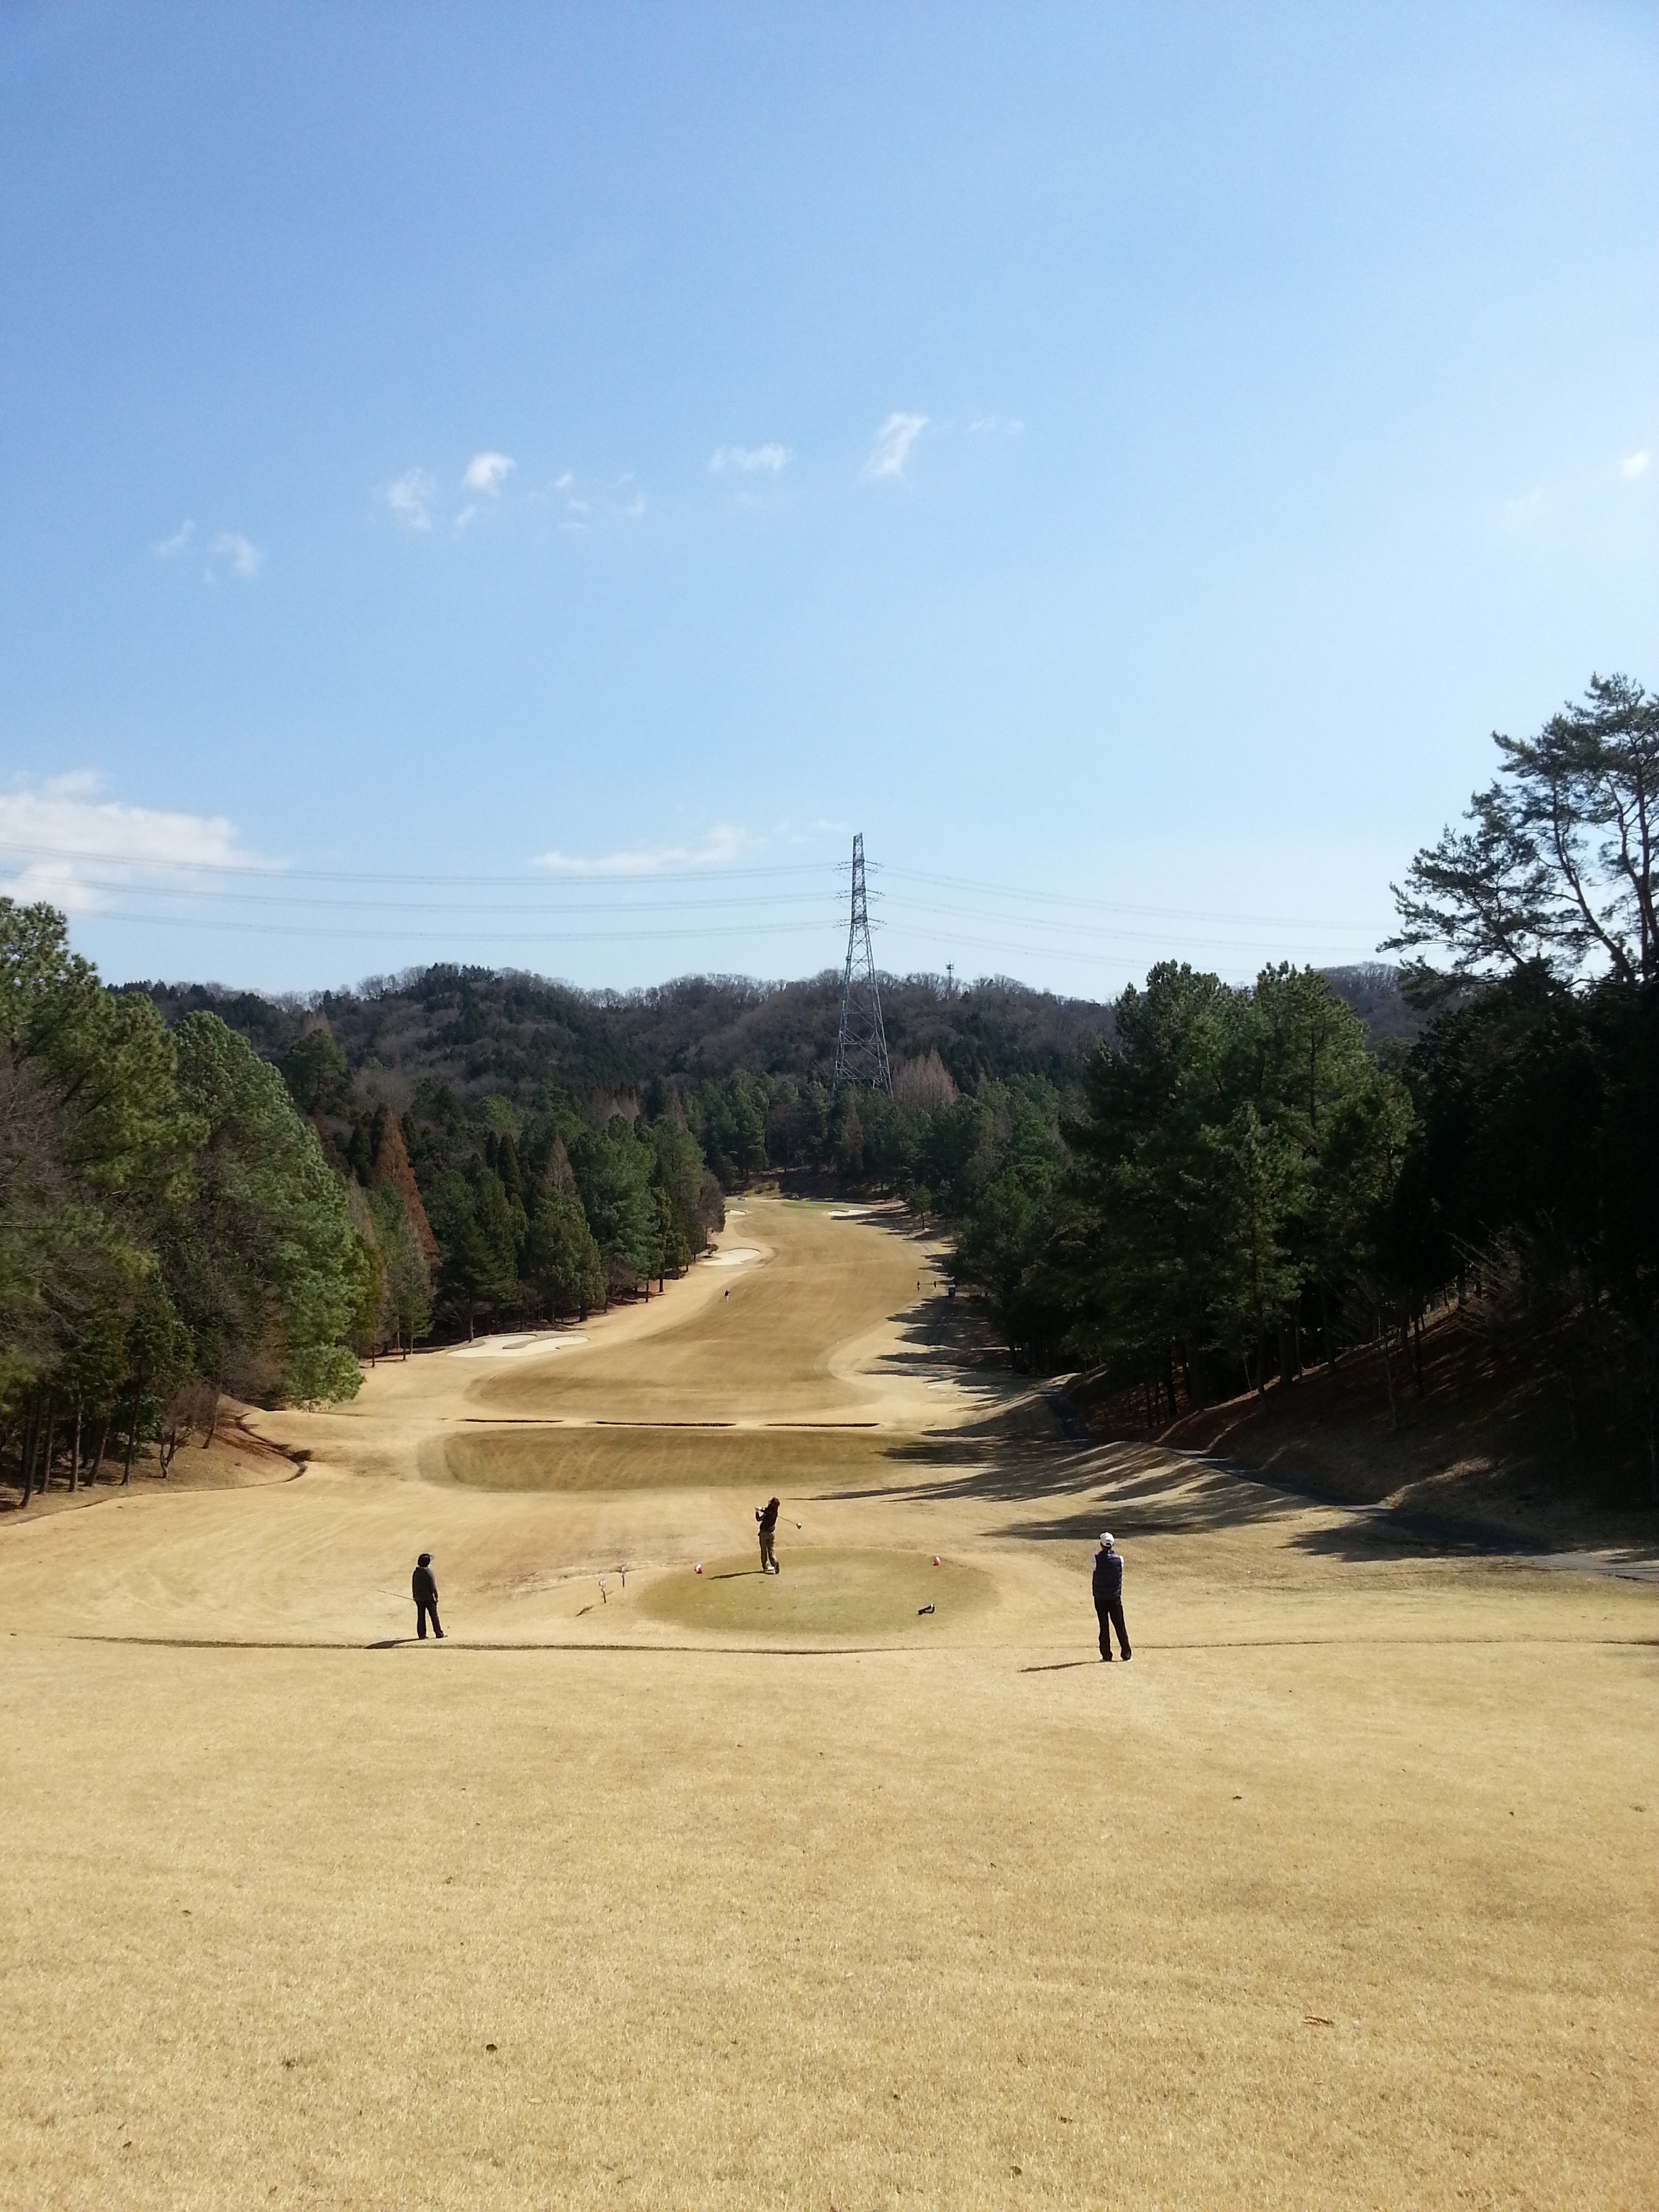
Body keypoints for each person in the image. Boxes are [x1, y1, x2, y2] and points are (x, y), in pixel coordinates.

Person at [1092, 1532, 1130, 1661]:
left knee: (1104, 1626)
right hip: (1115, 1596)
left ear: (1101, 1544)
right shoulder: (1119, 1559)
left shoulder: (1096, 1559)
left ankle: (1106, 1655)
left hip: (1100, 1597)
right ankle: (1126, 1653)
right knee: (1120, 1625)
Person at [412, 1551, 445, 1640]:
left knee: (421, 1616)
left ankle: (421, 1635)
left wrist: (415, 1596)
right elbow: (433, 1586)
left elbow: (414, 1584)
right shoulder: (429, 1572)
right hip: (429, 1598)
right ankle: (439, 1633)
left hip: (419, 1598)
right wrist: (436, 1596)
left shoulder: (416, 1572)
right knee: (434, 1616)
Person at [756, 1496, 781, 1576]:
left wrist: (757, 1512)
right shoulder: (775, 1512)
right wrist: (762, 1509)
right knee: (771, 1550)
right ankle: (775, 1563)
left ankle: (766, 1566)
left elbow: (759, 1519)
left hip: (764, 1533)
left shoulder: (768, 1512)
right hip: (772, 1533)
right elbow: (766, 1510)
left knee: (764, 1550)